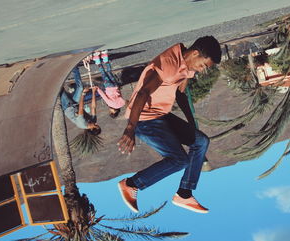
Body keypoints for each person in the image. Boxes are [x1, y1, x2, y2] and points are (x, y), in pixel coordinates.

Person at [117, 36, 222, 214]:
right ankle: (131, 184)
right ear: (195, 53)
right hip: (144, 120)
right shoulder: (168, 66)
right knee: (179, 160)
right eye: (203, 65)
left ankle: (184, 193)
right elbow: (142, 92)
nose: (202, 70)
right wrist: (130, 128)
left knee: (201, 141)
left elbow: (180, 95)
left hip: (160, 116)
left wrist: (191, 125)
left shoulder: (186, 64)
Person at [60, 67, 101, 133]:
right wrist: (93, 92)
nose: (96, 123)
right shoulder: (93, 120)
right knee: (80, 87)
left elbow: (81, 109)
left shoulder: (82, 124)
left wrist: (83, 93)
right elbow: (93, 107)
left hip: (68, 106)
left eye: (95, 126)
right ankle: (75, 69)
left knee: (60, 89)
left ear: (91, 129)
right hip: (75, 103)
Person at [92, 50, 125, 118]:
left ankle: (105, 56)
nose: (109, 110)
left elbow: (120, 94)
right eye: (110, 111)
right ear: (113, 112)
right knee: (103, 73)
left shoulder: (122, 103)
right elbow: (104, 96)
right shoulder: (111, 104)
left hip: (115, 86)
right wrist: (97, 89)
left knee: (109, 72)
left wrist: (118, 89)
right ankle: (97, 59)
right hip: (108, 86)